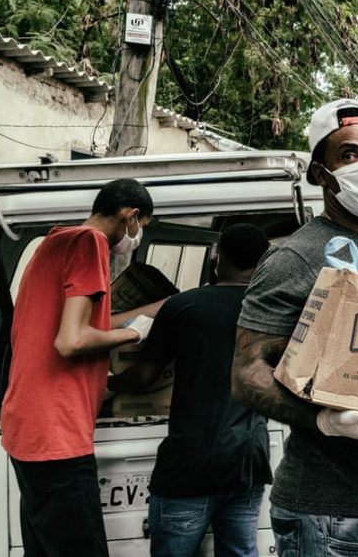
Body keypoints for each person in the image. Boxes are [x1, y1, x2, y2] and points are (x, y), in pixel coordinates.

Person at [232, 98, 358, 557]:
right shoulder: (296, 257)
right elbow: (246, 373)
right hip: (332, 511)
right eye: (350, 155)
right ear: (321, 174)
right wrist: (324, 420)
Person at [0, 178, 162, 557]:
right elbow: (71, 341)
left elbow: (84, 325)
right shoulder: (91, 244)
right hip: (56, 433)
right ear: (131, 216)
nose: (135, 237)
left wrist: (151, 313)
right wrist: (134, 336)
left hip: (27, 426)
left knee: (43, 548)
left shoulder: (57, 242)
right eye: (141, 228)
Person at [108, 224, 273, 557]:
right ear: (264, 262)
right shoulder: (272, 311)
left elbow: (143, 376)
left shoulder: (185, 307)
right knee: (241, 551)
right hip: (248, 462)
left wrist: (109, 382)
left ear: (218, 258)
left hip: (190, 464)